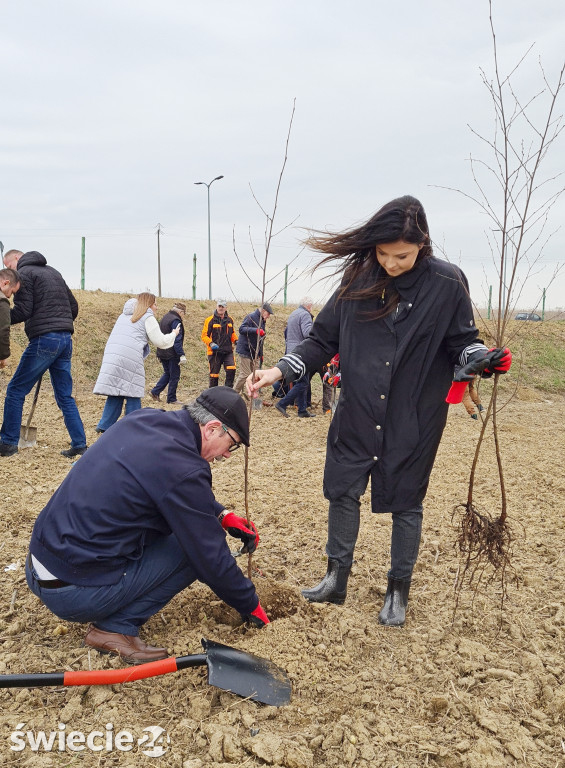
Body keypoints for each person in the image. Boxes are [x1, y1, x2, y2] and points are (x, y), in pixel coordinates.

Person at [247, 195, 512, 626]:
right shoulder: (358, 280)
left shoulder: (448, 284)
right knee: (342, 489)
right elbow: (322, 339)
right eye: (383, 253)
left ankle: (397, 589)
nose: (390, 263)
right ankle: (336, 578)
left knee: (406, 500)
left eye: (402, 255)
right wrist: (280, 369)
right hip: (357, 409)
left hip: (415, 414)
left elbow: (463, 340)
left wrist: (481, 356)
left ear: (423, 245)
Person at [26, 385, 269, 664]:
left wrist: (222, 515)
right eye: (233, 444)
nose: (227, 455)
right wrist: (250, 604)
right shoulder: (184, 466)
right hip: (72, 591)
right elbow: (210, 556)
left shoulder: (145, 420)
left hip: (40, 564)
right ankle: (115, 628)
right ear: (213, 428)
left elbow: (169, 487)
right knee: (192, 552)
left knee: (186, 532)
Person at [0, 250, 87, 458]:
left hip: (44, 340)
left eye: (9, 265)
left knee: (15, 390)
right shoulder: (53, 272)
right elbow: (73, 307)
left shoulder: (24, 274)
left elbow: (23, 310)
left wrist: (3, 317)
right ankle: (80, 444)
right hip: (65, 339)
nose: (10, 272)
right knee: (64, 396)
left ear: (17, 260)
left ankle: (8, 442)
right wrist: (60, 323)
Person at [93, 294, 180, 432]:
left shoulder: (123, 315)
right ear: (149, 305)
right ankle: (134, 426)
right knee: (133, 392)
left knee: (117, 391)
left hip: (112, 356)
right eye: (155, 304)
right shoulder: (147, 317)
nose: (156, 307)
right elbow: (160, 342)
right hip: (129, 358)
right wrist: (174, 334)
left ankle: (104, 425)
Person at [274, 297, 316, 418]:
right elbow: (308, 333)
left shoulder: (293, 314)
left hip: (291, 351)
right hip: (301, 352)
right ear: (309, 306)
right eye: (311, 306)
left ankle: (302, 410)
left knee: (302, 380)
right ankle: (282, 403)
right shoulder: (305, 315)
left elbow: (287, 333)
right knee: (303, 382)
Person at [233, 302, 274, 395]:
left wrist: (261, 354)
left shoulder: (262, 321)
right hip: (245, 350)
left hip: (255, 352)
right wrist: (256, 330)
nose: (268, 317)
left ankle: (253, 398)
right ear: (263, 311)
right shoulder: (251, 317)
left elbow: (260, 340)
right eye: (268, 314)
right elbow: (242, 329)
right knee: (245, 375)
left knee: (256, 375)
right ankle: (233, 393)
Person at [150, 302, 187, 404]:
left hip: (162, 350)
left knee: (167, 373)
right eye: (184, 313)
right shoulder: (176, 321)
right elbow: (177, 340)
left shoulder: (166, 317)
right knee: (174, 375)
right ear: (180, 312)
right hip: (172, 353)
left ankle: (155, 391)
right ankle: (171, 399)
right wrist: (181, 354)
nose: (183, 316)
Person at [201, 299, 237, 388]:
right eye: (219, 306)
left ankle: (227, 392)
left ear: (226, 308)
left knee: (231, 369)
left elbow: (232, 333)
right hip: (214, 352)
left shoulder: (230, 320)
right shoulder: (210, 320)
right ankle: (213, 397)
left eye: (222, 306)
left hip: (227, 351)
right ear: (216, 307)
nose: (220, 308)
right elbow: (204, 336)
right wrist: (211, 343)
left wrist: (236, 341)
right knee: (214, 376)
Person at [0, 268, 21, 369]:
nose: (10, 296)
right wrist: (3, 356)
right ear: (5, 283)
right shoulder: (2, 300)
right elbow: (3, 330)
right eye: (12, 292)